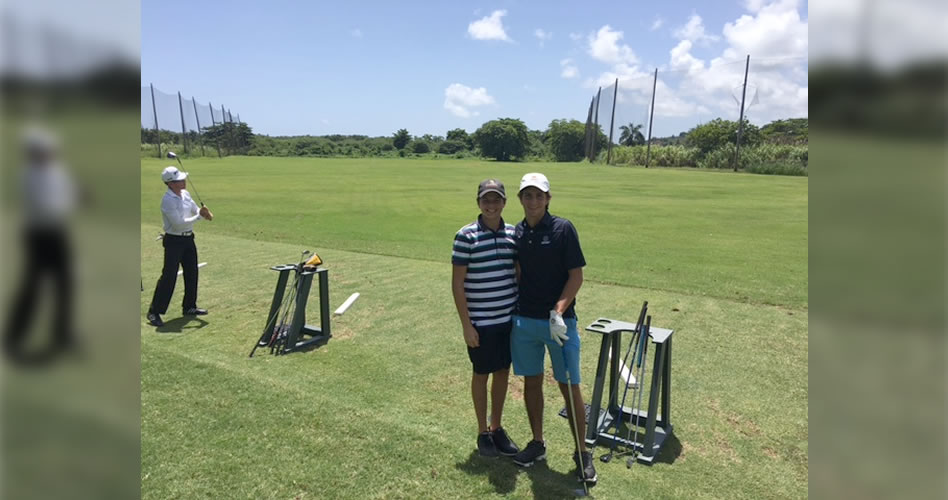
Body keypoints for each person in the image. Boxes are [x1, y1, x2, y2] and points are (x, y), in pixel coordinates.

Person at [510, 172, 596, 484]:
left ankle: (581, 451)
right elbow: (518, 272)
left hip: (560, 323)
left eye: (538, 195)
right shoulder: (516, 233)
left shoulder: (563, 229)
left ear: (548, 199)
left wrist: (559, 311)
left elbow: (576, 276)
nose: (533, 201)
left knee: (568, 385)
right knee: (531, 383)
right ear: (521, 199)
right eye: (527, 195)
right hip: (525, 322)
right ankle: (537, 443)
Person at [451, 179, 521, 458]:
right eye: (486, 200)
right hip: (480, 321)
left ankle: (497, 426)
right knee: (481, 374)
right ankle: (483, 432)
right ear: (478, 202)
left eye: (496, 200)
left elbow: (517, 273)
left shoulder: (514, 233)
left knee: (503, 371)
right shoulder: (465, 236)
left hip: (508, 319)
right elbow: (458, 284)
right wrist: (466, 325)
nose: (491, 205)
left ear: (504, 202)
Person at [3, 127, 82, 363]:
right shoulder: (29, 175)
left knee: (65, 283)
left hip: (58, 233)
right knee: (33, 285)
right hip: (38, 234)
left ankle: (62, 334)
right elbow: (48, 205)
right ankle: (14, 336)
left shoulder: (57, 171)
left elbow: (68, 193)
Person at [146, 165, 213, 327]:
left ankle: (189, 306)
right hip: (174, 241)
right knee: (169, 276)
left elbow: (194, 209)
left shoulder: (185, 194)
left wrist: (202, 212)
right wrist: (199, 217)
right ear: (170, 184)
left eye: (183, 179)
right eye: (179, 180)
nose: (184, 182)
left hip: (188, 239)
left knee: (192, 272)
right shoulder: (168, 200)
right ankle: (154, 312)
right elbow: (178, 224)